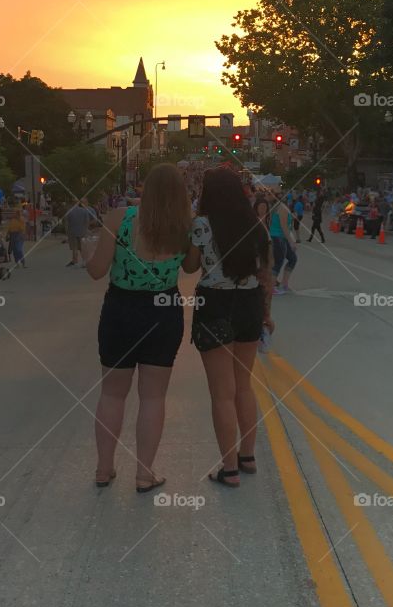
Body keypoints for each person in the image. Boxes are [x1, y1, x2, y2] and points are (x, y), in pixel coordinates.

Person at [85, 163, 198, 493]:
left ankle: (104, 468)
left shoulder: (119, 218)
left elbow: (96, 271)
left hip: (121, 309)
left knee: (111, 393)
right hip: (163, 312)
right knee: (153, 397)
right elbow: (191, 268)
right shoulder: (185, 226)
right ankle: (144, 474)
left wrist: (92, 250)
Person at [191, 168, 274, 488]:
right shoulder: (256, 227)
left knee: (221, 393)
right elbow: (266, 274)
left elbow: (189, 265)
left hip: (215, 304)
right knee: (244, 385)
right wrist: (267, 313)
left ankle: (229, 469)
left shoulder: (202, 226)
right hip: (250, 304)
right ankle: (248, 456)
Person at [268, 194, 297, 293]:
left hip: (279, 237)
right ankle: (271, 288)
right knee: (278, 262)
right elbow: (284, 226)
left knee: (292, 259)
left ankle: (284, 284)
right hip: (278, 238)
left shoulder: (276, 208)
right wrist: (291, 241)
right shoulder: (282, 208)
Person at [64, 197, 96, 267]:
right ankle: (84, 261)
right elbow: (87, 221)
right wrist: (85, 228)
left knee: (74, 247)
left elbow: (66, 223)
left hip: (72, 231)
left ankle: (75, 260)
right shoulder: (84, 211)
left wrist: (67, 232)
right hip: (82, 231)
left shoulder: (69, 211)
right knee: (82, 247)